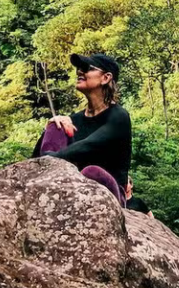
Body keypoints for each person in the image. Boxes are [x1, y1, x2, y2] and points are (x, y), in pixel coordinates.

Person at [33, 53, 132, 205]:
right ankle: (44, 181)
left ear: (105, 78)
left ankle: (49, 167)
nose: (79, 72)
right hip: (70, 187)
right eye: (78, 68)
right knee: (57, 124)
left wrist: (50, 159)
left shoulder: (119, 117)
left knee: (92, 172)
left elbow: (88, 147)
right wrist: (51, 127)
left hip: (109, 193)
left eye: (86, 68)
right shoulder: (74, 120)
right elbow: (35, 157)